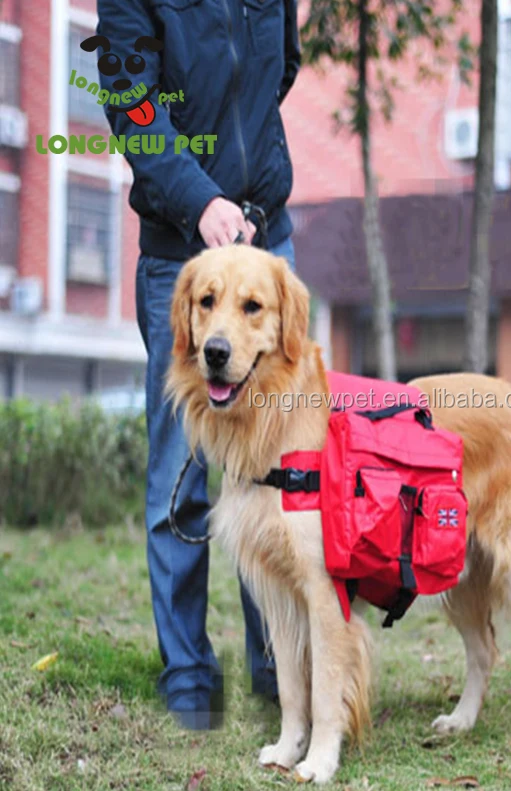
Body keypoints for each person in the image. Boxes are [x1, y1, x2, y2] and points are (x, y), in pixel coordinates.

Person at [94, 0, 300, 730]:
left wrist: (254, 179)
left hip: (267, 237)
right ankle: (188, 677)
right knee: (181, 475)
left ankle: (280, 667)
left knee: (274, 473)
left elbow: (281, 67)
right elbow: (128, 97)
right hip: (181, 250)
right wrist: (198, 195)